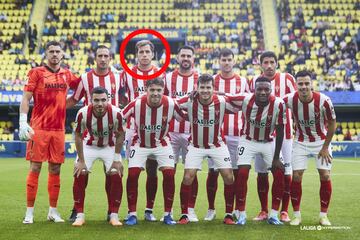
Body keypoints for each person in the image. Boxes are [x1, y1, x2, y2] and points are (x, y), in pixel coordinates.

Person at [20, 41, 79, 224]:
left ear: (62, 54)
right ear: (46, 54)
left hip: (58, 130)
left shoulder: (67, 74)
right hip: (39, 128)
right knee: (35, 167)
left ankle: (52, 211)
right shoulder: (36, 72)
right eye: (51, 51)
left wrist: (62, 106)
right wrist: (22, 121)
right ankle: (29, 212)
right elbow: (26, 98)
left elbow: (82, 89)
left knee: (55, 169)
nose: (55, 54)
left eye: (57, 51)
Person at [177, 74, 245, 225]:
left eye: (208, 87)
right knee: (188, 177)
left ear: (213, 89)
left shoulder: (221, 101)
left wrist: (224, 94)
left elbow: (243, 101)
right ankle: (184, 214)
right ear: (197, 88)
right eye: (202, 87)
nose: (205, 91)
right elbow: (172, 104)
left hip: (217, 145)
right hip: (196, 146)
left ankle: (228, 214)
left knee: (228, 177)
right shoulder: (189, 100)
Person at [66, 45, 123, 222]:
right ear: (95, 58)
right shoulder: (85, 77)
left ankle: (112, 211)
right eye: (100, 56)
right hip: (90, 136)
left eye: (106, 56)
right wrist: (54, 109)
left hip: (111, 137)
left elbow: (128, 96)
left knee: (114, 172)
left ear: (110, 57)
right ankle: (78, 210)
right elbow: (74, 99)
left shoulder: (118, 77)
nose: (103, 59)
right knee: (80, 171)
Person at [121, 77, 185, 226]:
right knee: (133, 174)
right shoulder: (136, 103)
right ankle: (132, 214)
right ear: (146, 90)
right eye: (152, 90)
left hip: (162, 143)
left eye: (159, 90)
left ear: (163, 91)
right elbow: (119, 117)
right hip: (140, 143)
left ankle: (168, 214)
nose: (155, 93)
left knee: (169, 174)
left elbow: (182, 117)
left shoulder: (170, 103)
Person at [283, 70, 336, 226]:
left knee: (325, 175)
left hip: (321, 141)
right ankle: (297, 215)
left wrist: (325, 147)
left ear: (312, 84)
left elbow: (333, 123)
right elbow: (274, 103)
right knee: (297, 176)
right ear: (296, 85)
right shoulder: (290, 99)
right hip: (300, 141)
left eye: (307, 83)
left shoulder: (324, 100)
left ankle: (323, 215)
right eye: (301, 84)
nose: (304, 87)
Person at [249, 51, 296, 222]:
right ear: (260, 64)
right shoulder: (253, 81)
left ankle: (283, 211)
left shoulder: (288, 79)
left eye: (272, 62)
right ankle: (263, 210)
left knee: (285, 171)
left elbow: (297, 100)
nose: (269, 65)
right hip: (262, 135)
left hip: (285, 134)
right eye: (266, 62)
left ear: (277, 63)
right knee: (262, 173)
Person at [234, 76, 286, 225]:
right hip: (248, 140)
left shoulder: (278, 103)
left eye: (266, 89)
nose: (263, 92)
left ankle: (274, 215)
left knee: (279, 173)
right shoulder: (245, 99)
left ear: (271, 90)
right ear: (254, 90)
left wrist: (276, 158)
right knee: (242, 173)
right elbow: (225, 96)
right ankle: (242, 214)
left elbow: (280, 130)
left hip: (268, 141)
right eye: (259, 89)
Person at [205, 48, 250, 221]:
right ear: (219, 61)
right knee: (213, 172)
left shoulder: (242, 80)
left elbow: (246, 104)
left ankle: (238, 209)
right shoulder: (212, 80)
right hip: (215, 134)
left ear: (234, 61)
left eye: (229, 59)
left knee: (237, 173)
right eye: (223, 59)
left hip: (237, 134)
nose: (226, 62)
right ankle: (211, 208)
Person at [71, 87, 124, 227]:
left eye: (103, 100)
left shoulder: (116, 113)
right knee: (80, 172)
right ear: (91, 100)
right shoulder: (82, 113)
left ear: (108, 100)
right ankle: (79, 215)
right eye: (96, 100)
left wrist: (117, 159)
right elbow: (77, 135)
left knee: (115, 173)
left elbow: (120, 135)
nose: (100, 104)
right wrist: (81, 161)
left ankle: (114, 215)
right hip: (89, 146)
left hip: (109, 146)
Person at [122, 40, 160, 221]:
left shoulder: (161, 74)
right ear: (136, 54)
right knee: (133, 171)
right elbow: (120, 95)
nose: (144, 55)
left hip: (155, 129)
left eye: (147, 52)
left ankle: (149, 210)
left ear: (152, 54)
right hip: (131, 129)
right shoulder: (126, 74)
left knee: (152, 170)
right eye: (141, 52)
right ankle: (132, 212)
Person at [164, 45, 199, 222]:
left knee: (192, 173)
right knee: (169, 172)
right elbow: (162, 101)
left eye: (189, 56)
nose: (185, 58)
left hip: (192, 133)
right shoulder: (168, 78)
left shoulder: (199, 79)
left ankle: (190, 209)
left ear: (193, 58)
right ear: (177, 58)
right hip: (171, 133)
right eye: (183, 55)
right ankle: (168, 210)